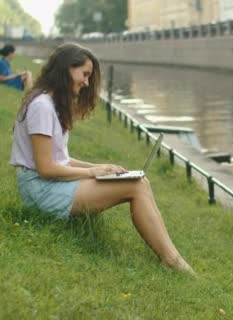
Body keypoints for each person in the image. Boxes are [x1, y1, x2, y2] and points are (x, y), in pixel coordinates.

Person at [10, 43, 194, 274]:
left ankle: (172, 257)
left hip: (47, 185)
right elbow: (46, 168)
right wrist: (91, 173)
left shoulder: (50, 103)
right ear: (67, 68)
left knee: (139, 181)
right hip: (40, 191)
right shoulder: (42, 107)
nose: (86, 82)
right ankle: (173, 261)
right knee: (135, 186)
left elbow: (61, 159)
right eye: (84, 74)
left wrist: (99, 168)